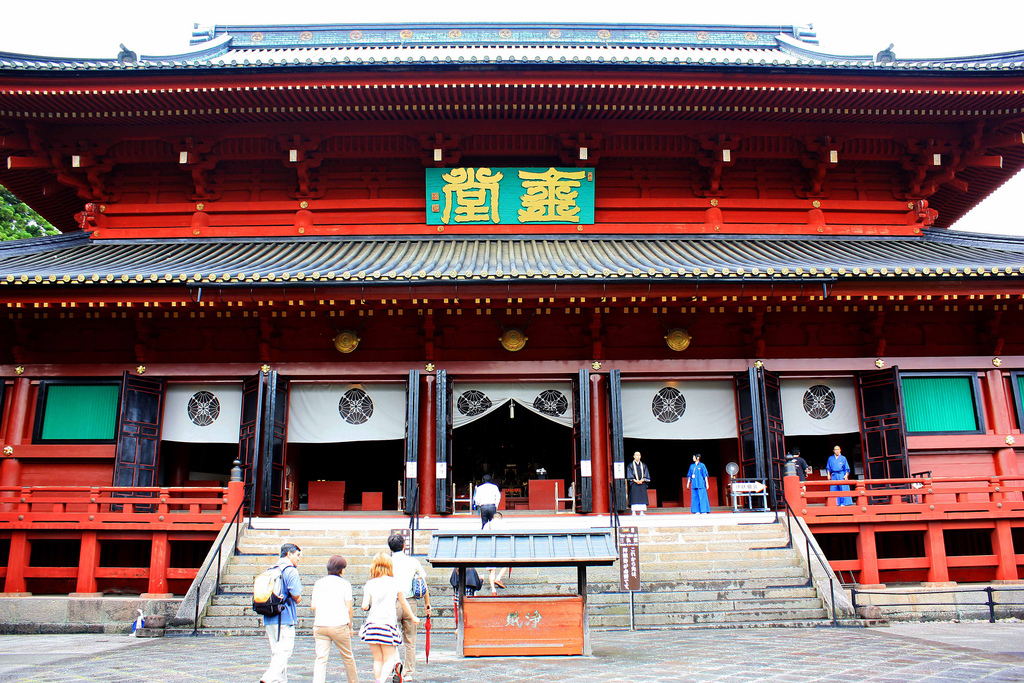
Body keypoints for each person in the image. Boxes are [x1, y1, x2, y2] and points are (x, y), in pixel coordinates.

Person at [361, 553, 417, 683]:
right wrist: (413, 617)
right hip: (388, 625)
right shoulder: (395, 583)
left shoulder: (369, 584)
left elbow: (364, 605)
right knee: (390, 659)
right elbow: (403, 602)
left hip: (372, 625)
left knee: (377, 659)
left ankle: (378, 679)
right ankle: (380, 681)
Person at [388, 533, 432, 679]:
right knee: (410, 639)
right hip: (410, 602)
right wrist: (427, 603)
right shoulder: (413, 562)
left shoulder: (386, 562)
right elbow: (423, 583)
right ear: (404, 546)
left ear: (390, 548)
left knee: (390, 638)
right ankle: (408, 673)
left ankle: (395, 664)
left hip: (392, 603)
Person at [311, 555, 358, 683]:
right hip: (339, 625)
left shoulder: (319, 583)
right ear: (341, 569)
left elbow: (313, 606)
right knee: (348, 657)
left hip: (320, 626)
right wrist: (351, 627)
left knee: (321, 659)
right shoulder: (345, 584)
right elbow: (349, 608)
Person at [260, 543, 303, 683]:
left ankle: (280, 680)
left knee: (276, 652)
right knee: (285, 651)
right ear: (289, 554)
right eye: (297, 555)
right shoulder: (290, 570)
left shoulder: (271, 569)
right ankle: (268, 678)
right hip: (284, 616)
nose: (299, 558)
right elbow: (296, 595)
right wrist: (299, 598)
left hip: (269, 614)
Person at [627, 451, 651, 515]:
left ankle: (641, 511)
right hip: (634, 483)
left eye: (639, 455)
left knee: (642, 497)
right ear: (634, 456)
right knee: (634, 497)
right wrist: (635, 480)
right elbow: (629, 474)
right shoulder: (630, 465)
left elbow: (646, 474)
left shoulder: (643, 465)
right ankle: (634, 512)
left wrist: (642, 480)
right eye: (636, 455)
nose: (638, 456)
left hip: (642, 483)